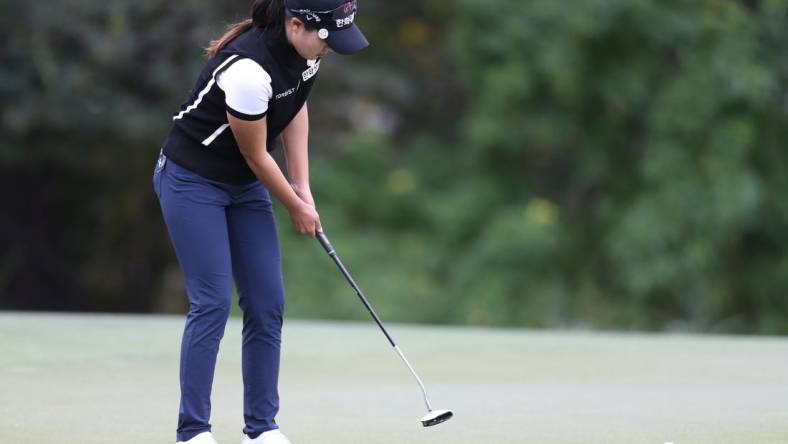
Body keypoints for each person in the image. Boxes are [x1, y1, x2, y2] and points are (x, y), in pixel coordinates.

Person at [151, 0, 368, 443]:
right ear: (295, 23)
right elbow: (254, 153)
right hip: (192, 181)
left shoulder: (308, 51)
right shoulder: (248, 72)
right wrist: (294, 204)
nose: (329, 49)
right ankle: (193, 431)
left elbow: (293, 109)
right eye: (326, 39)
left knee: (267, 303)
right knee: (211, 302)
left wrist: (302, 185)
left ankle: (262, 429)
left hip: (243, 184)